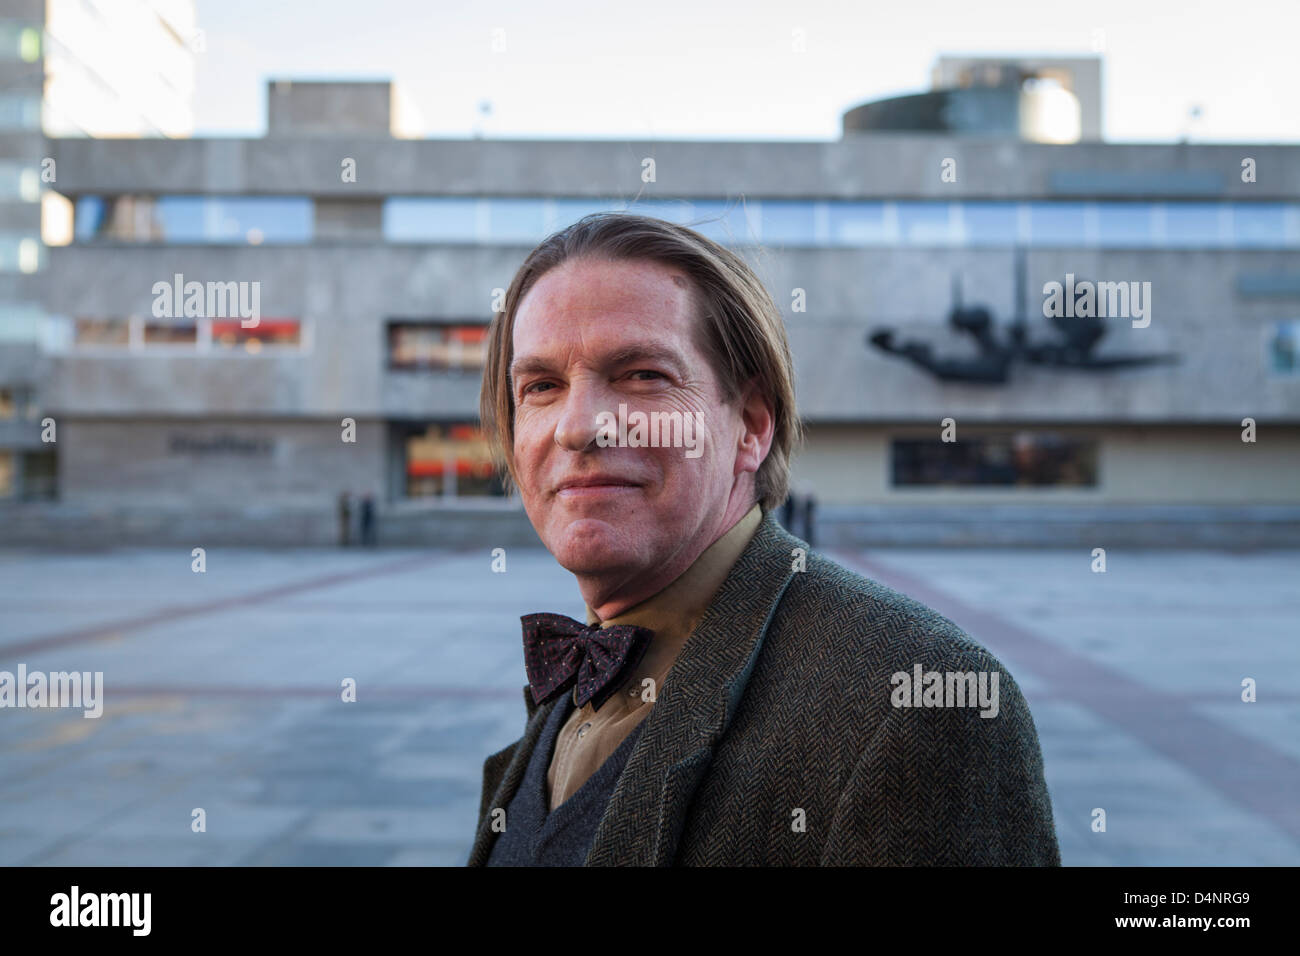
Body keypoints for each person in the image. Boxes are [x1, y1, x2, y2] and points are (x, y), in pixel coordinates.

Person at [467, 213, 1059, 866]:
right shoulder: (574, 674)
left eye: (643, 376)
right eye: (542, 386)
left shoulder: (918, 702)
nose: (579, 427)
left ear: (750, 425)